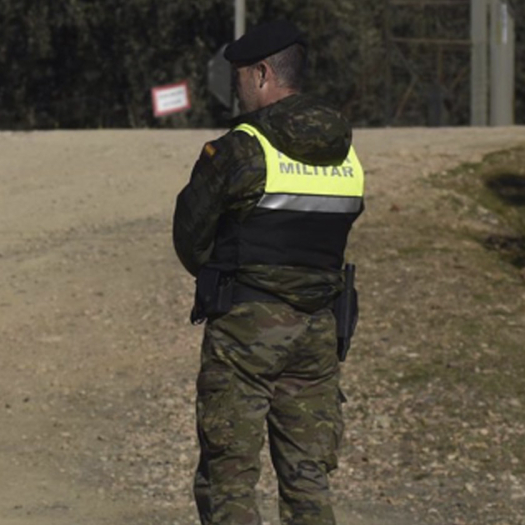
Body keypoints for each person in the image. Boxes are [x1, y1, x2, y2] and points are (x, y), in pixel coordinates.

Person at [172, 20, 366, 525]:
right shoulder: (345, 153)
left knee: (229, 478)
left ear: (261, 74)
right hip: (320, 333)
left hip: (245, 332)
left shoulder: (240, 149)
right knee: (307, 478)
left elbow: (191, 238)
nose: (236, 88)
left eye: (239, 76)